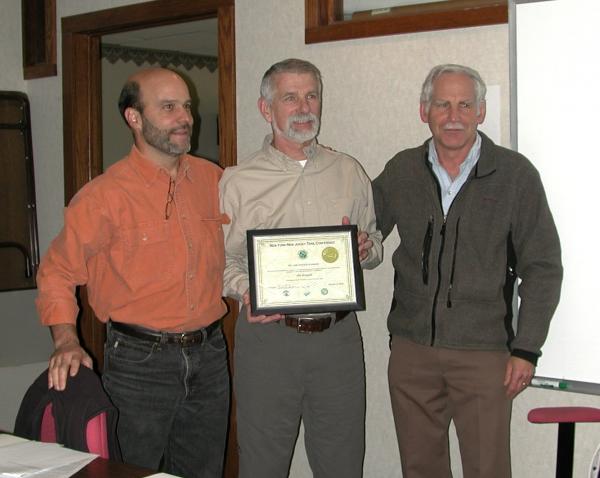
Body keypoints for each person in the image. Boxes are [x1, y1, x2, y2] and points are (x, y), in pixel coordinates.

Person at [35, 67, 230, 478]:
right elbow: (56, 271)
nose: (185, 118)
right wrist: (66, 340)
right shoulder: (103, 196)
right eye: (169, 107)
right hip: (141, 363)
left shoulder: (215, 180)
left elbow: (245, 246)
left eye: (187, 106)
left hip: (210, 357)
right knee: (129, 471)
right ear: (134, 117)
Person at [372, 63, 563, 478]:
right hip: (412, 351)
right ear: (424, 110)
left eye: (464, 104)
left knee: (488, 469)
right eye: (442, 104)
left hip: (484, 354)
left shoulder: (515, 176)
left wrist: (526, 348)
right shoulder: (401, 170)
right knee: (419, 469)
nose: (453, 116)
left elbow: (543, 267)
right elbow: (361, 229)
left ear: (481, 111)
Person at [219, 58, 383, 478]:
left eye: (312, 96)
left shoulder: (349, 171)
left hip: (338, 339)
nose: (303, 107)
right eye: (290, 98)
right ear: (266, 109)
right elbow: (223, 260)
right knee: (263, 462)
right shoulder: (237, 181)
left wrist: (365, 249)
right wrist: (246, 291)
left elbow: (374, 242)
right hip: (269, 338)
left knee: (343, 462)